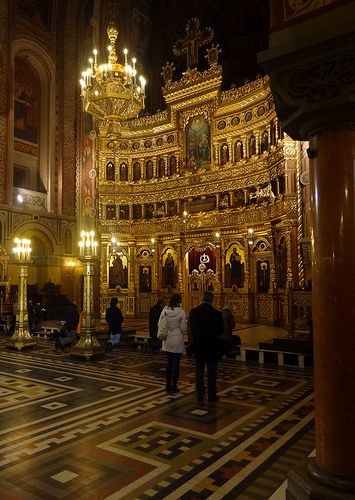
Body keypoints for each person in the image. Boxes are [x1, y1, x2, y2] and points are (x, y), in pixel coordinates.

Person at [188, 291, 224, 402]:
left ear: (202, 298)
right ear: (212, 300)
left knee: (199, 372)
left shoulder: (194, 312)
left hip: (199, 346)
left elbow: (190, 328)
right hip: (212, 347)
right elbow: (221, 330)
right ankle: (212, 395)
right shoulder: (216, 313)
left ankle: (199, 393)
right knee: (212, 372)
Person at [158, 293, 187, 394]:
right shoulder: (182, 312)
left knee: (169, 363)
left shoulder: (165, 310)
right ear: (179, 301)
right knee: (176, 364)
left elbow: (159, 324)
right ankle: (174, 385)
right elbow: (184, 328)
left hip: (167, 338)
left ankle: (167, 385)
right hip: (177, 338)